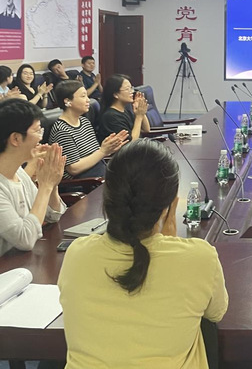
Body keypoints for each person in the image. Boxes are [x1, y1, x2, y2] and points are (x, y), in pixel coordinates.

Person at [58, 139, 229, 368]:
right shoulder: (200, 258)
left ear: (108, 199)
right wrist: (169, 238)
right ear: (170, 205)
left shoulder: (76, 254)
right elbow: (216, 313)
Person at [0, 99, 66, 256]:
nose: (40, 138)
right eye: (37, 131)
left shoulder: (18, 173)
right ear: (16, 139)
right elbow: (25, 239)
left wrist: (52, 183)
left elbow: (53, 215)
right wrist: (46, 185)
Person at [48, 80, 128, 180]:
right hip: (83, 183)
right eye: (83, 96)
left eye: (87, 96)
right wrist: (103, 151)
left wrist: (108, 149)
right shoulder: (62, 131)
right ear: (67, 101)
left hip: (99, 174)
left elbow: (94, 154)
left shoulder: (84, 121)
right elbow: (74, 169)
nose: (88, 100)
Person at [98, 74, 150, 142]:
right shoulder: (111, 117)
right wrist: (139, 116)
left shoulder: (125, 110)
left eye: (131, 88)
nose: (132, 92)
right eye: (127, 89)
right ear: (116, 94)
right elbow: (131, 143)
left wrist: (140, 111)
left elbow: (146, 130)